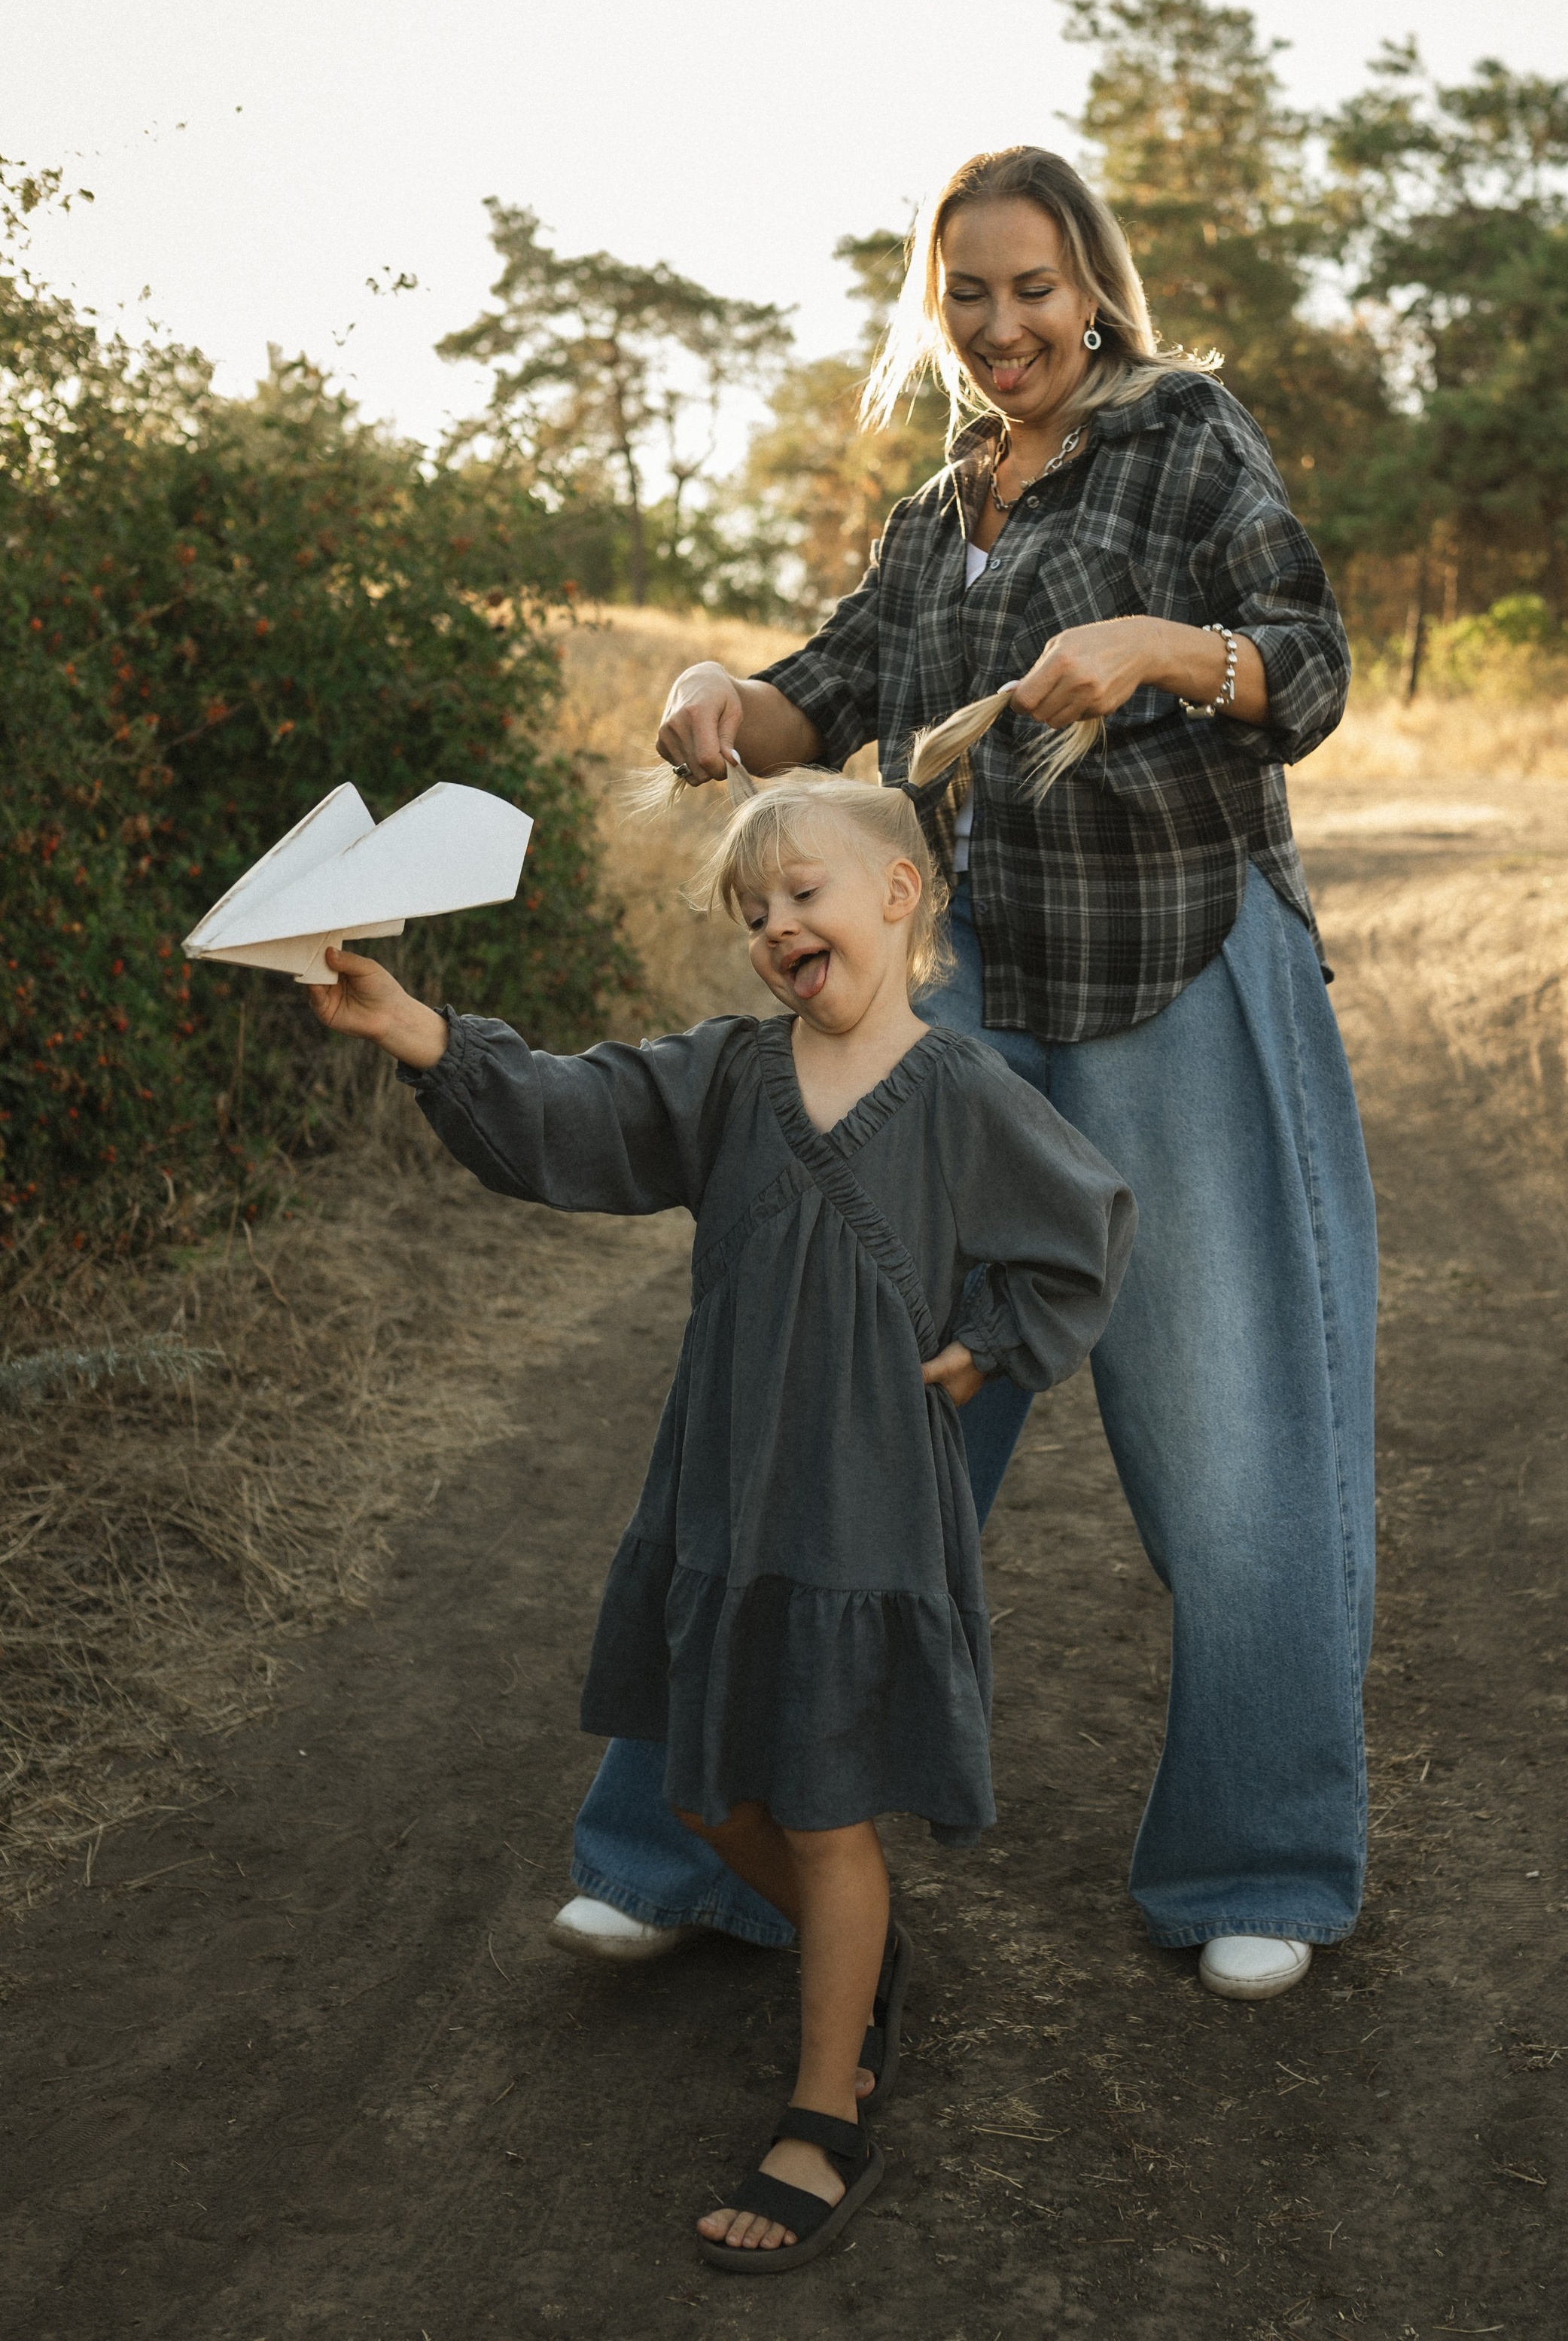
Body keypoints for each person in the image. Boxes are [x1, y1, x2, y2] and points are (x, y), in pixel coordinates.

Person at [562, 138, 1378, 2005]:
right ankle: (702, 1848)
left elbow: (1310, 670)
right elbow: (817, 696)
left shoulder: (1184, 436)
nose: (1001, 324)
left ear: (1089, 284)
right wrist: (709, 697)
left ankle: (1256, 1859)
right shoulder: (938, 510)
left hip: (1184, 974)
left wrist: (1162, 648)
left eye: (1033, 286)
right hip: (981, 1001)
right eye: (968, 293)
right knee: (838, 1399)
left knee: (1235, 1437)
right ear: (934, 309)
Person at [308, 767, 1134, 2271]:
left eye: (801, 895)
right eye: (751, 912)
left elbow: (1079, 1223)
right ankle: (852, 1954)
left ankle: (826, 2102)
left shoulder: (959, 1096)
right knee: (702, 1791)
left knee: (825, 1808)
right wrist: (422, 1033)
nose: (774, 927)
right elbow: (571, 1115)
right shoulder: (725, 1079)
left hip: (860, 1509)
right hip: (722, 1489)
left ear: (897, 895)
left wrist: (998, 1337)